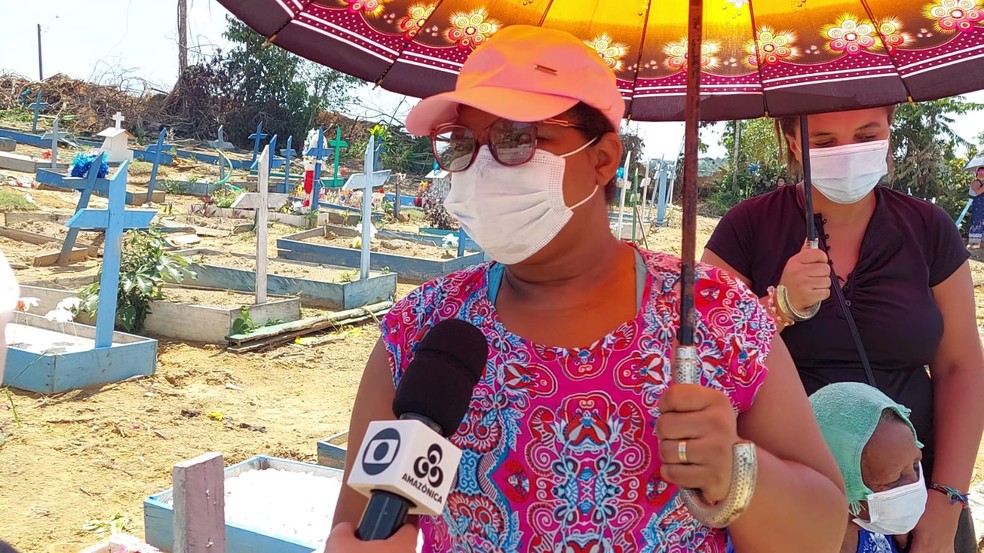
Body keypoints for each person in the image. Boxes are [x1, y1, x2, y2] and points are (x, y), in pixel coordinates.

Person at [326, 25, 846, 552]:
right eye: (461, 144)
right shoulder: (426, 330)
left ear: (602, 159)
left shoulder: (716, 315)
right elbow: (364, 524)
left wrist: (735, 472)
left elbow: (823, 534)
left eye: (516, 138)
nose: (482, 168)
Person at [702, 106, 984, 552]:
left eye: (866, 135)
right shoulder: (745, 229)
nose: (849, 153)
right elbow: (705, 364)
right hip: (786, 503)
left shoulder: (930, 229)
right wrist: (778, 308)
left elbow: (961, 367)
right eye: (825, 142)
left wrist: (946, 500)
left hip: (914, 497)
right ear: (793, 143)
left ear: (889, 128)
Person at [811, 382, 928, 553]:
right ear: (844, 482)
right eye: (895, 479)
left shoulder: (876, 527)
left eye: (916, 463)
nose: (915, 484)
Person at [968, 167, 984, 248]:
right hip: (978, 206)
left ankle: (982, 243)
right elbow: (977, 192)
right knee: (978, 222)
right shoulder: (976, 182)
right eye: (980, 172)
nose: (982, 174)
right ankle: (974, 243)